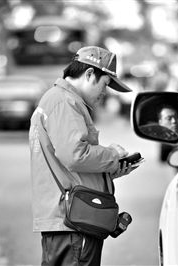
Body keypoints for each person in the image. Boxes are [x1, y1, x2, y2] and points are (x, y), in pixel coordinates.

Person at [29, 46, 136, 266]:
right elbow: (75, 155)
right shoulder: (64, 102)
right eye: (105, 84)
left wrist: (111, 170)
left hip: (70, 222)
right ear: (89, 74)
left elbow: (69, 166)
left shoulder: (60, 101)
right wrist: (113, 155)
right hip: (73, 225)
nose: (105, 93)